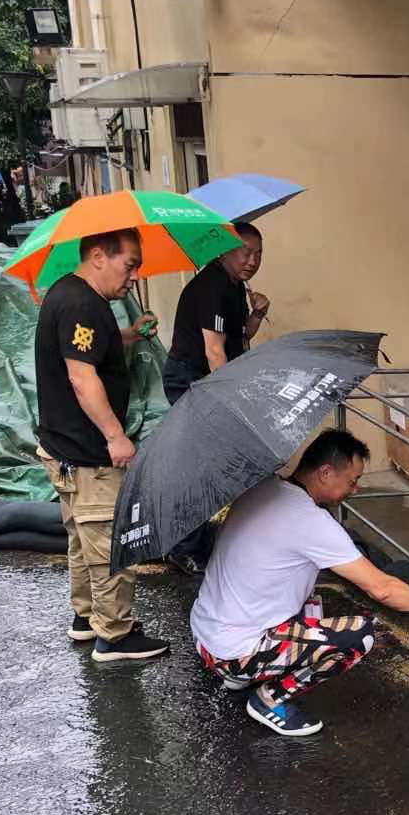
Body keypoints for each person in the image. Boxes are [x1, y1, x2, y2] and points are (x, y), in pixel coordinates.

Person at [191, 429, 409, 737]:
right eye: (352, 481)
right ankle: (269, 699)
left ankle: (241, 677)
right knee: (358, 637)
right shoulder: (310, 522)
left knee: (311, 601)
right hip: (233, 654)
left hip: (206, 637)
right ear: (325, 473)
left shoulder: (262, 487)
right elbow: (382, 588)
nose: (356, 488)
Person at [34, 228, 170, 662]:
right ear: (98, 255)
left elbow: (89, 353)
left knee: (82, 539)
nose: (134, 276)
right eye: (129, 264)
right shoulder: (81, 304)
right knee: (110, 541)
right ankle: (115, 634)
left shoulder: (76, 296)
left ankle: (86, 618)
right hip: (87, 453)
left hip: (67, 449)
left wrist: (129, 333)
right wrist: (116, 436)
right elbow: (81, 376)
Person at [161, 221, 269, 574]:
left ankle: (202, 536)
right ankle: (181, 546)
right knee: (200, 466)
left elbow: (240, 336)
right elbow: (214, 352)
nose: (251, 260)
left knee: (217, 465)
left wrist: (257, 314)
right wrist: (232, 405)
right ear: (224, 250)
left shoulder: (234, 286)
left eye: (258, 253)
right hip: (193, 381)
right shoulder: (211, 287)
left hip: (214, 379)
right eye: (244, 251)